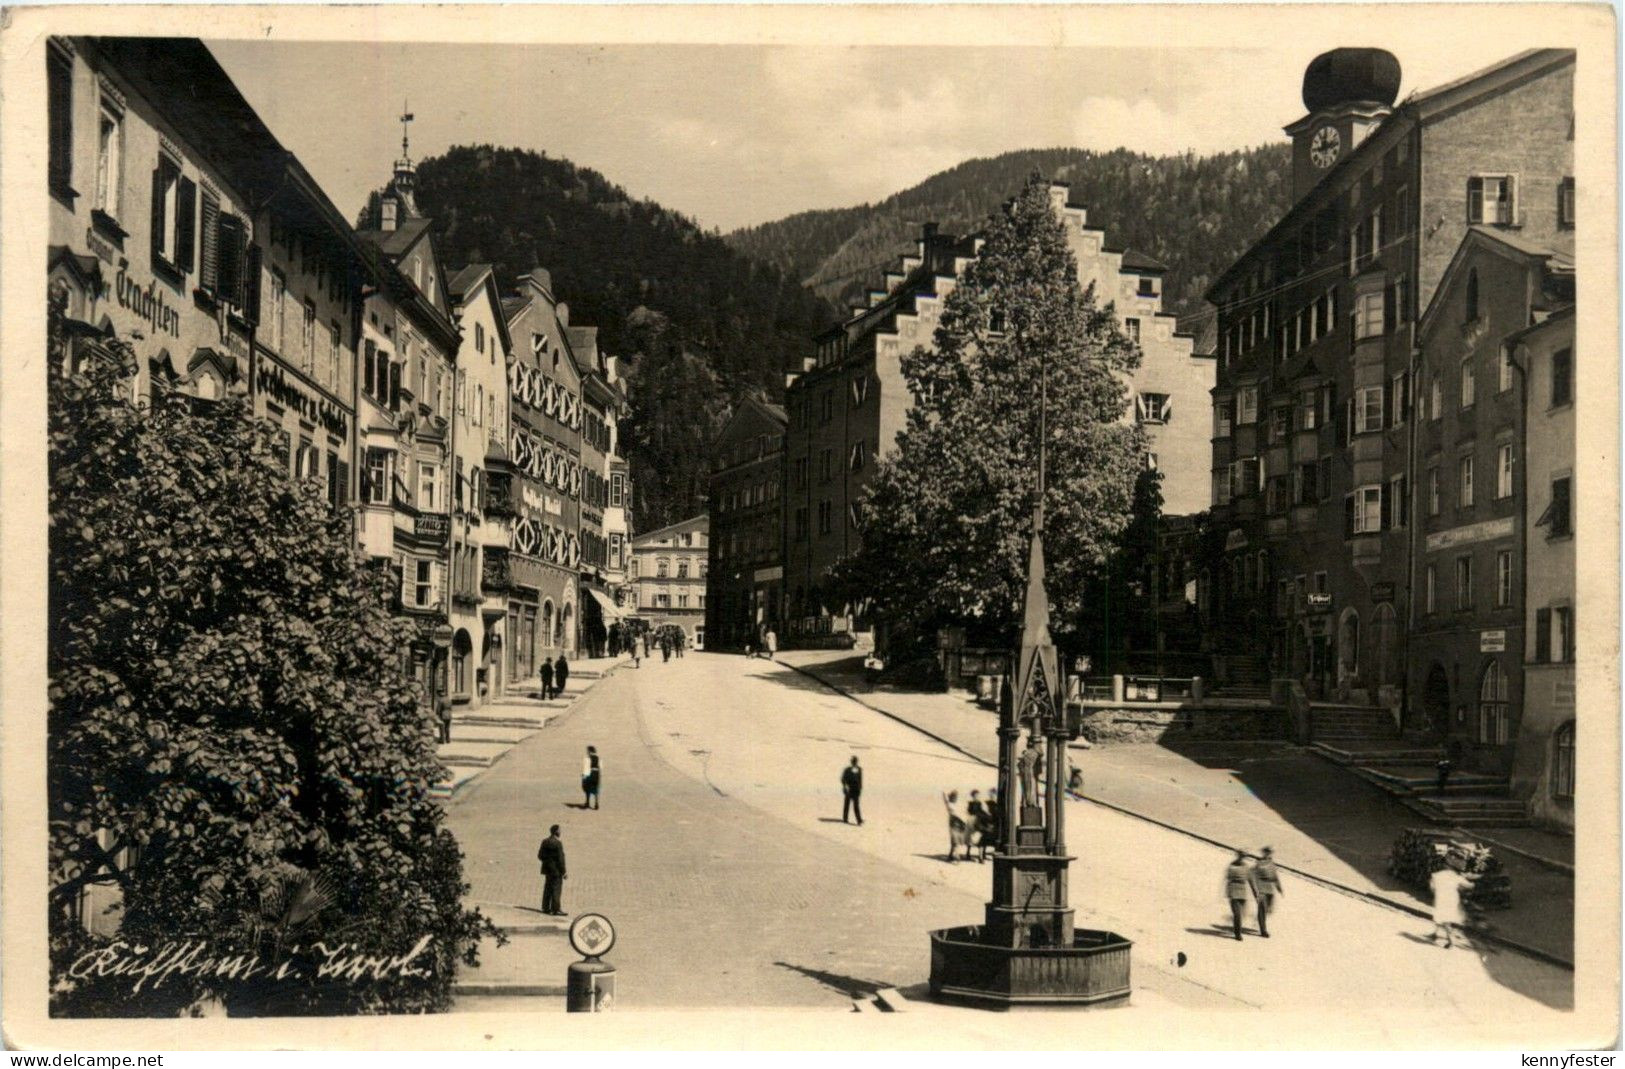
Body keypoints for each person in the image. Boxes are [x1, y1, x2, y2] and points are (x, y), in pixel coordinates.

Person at [1429, 863, 1476, 948]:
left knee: (1444, 920)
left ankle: (1451, 940)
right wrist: (1472, 882)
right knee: (1441, 917)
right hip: (1452, 900)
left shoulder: (1440, 875)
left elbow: (1432, 886)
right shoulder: (1456, 877)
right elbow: (1469, 886)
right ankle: (1435, 933)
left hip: (1442, 899)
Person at [1250, 846, 1284, 937]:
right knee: (1262, 909)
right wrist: (1255, 889)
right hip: (1261, 889)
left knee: (1268, 909)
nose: (1268, 854)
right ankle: (1263, 931)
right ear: (1263, 853)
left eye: (1270, 852)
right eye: (1267, 852)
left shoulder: (1271, 863)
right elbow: (1252, 875)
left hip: (1270, 889)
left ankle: (1259, 919)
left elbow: (1275, 876)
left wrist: (1279, 887)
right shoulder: (1259, 863)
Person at [538, 824, 567, 916]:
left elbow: (540, 855)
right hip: (556, 871)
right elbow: (560, 859)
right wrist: (564, 872)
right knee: (556, 889)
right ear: (556, 832)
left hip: (547, 870)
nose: (560, 832)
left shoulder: (545, 841)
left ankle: (546, 907)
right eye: (559, 830)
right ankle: (556, 909)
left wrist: (547, 863)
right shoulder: (558, 843)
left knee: (547, 888)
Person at [1224, 851, 1253, 940]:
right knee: (1237, 914)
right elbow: (1228, 879)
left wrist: (1256, 893)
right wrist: (1228, 892)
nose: (1242, 858)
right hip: (1234, 890)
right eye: (1241, 856)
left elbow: (1250, 880)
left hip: (1243, 892)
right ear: (1238, 856)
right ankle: (1238, 934)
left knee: (1242, 914)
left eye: (1244, 856)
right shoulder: (1232, 866)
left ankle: (1235, 925)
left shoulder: (1246, 867)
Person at [942, 790, 973, 863]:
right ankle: (956, 858)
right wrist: (944, 791)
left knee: (955, 842)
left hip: (960, 824)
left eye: (956, 797)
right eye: (954, 797)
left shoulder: (958, 804)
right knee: (955, 842)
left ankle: (950, 856)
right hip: (953, 824)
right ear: (951, 797)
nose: (955, 798)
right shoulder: (949, 804)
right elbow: (945, 797)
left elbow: (964, 813)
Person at [966, 790, 994, 863]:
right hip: (973, 820)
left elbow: (982, 811)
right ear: (973, 796)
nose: (977, 797)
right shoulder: (970, 803)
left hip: (979, 821)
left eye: (978, 795)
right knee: (971, 838)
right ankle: (968, 853)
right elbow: (969, 811)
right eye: (976, 795)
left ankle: (980, 857)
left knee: (981, 838)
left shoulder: (980, 803)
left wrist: (987, 815)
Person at [840, 756, 864, 825]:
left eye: (855, 761)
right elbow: (843, 779)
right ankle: (845, 818)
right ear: (852, 762)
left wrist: (860, 788)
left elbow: (860, 779)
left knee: (856, 805)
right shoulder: (847, 770)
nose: (854, 762)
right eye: (853, 761)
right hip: (849, 789)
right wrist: (845, 787)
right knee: (847, 804)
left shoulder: (859, 769)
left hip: (856, 789)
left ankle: (859, 820)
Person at [582, 745, 601, 810]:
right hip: (597, 774)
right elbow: (600, 767)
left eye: (587, 751)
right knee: (595, 788)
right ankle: (596, 804)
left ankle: (587, 803)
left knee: (587, 788)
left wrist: (584, 775)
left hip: (590, 773)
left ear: (589, 751)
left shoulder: (588, 758)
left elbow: (586, 767)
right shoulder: (598, 758)